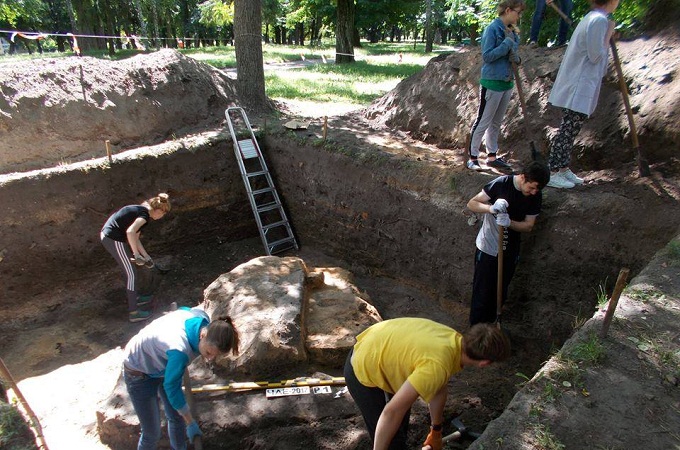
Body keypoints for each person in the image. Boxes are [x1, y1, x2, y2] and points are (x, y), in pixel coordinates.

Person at [344, 318, 511, 450]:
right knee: (391, 434)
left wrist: (436, 430)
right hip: (362, 366)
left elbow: (438, 388)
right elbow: (391, 413)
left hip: (379, 348)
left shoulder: (453, 340)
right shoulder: (437, 366)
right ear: (485, 363)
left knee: (400, 423)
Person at [123, 306, 240, 450]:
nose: (210, 359)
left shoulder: (202, 319)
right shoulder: (179, 350)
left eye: (215, 355)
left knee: (177, 416)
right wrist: (190, 423)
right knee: (151, 433)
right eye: (209, 352)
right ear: (203, 335)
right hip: (138, 371)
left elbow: (184, 308)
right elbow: (171, 387)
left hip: (162, 363)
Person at [546, 0, 619, 188]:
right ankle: (553, 171)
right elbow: (595, 55)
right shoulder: (599, 21)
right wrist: (609, 32)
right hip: (579, 84)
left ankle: (562, 168)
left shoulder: (593, 18)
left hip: (581, 83)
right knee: (568, 129)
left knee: (572, 128)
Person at [466, 161, 549, 325]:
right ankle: (475, 332)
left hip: (510, 250)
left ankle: (491, 327)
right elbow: (472, 204)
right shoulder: (501, 184)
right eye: (531, 187)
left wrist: (509, 223)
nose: (533, 192)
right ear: (523, 177)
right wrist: (491, 209)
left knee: (500, 292)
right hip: (488, 248)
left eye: (537, 189)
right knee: (482, 293)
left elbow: (528, 225)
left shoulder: (535, 196)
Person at [467, 0, 524, 172]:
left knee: (497, 122)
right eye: (518, 12)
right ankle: (473, 157)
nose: (519, 16)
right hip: (492, 82)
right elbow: (487, 56)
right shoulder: (492, 29)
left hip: (506, 82)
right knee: (484, 120)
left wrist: (516, 57)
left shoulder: (513, 32)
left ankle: (492, 156)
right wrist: (506, 44)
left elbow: (515, 56)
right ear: (508, 10)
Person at [101, 193, 171, 322]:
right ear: (158, 210)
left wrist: (146, 256)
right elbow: (130, 232)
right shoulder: (144, 216)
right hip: (113, 238)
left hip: (112, 237)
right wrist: (136, 255)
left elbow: (135, 237)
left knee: (132, 272)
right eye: (163, 213)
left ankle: (136, 298)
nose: (162, 216)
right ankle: (134, 313)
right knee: (131, 274)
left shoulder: (141, 211)